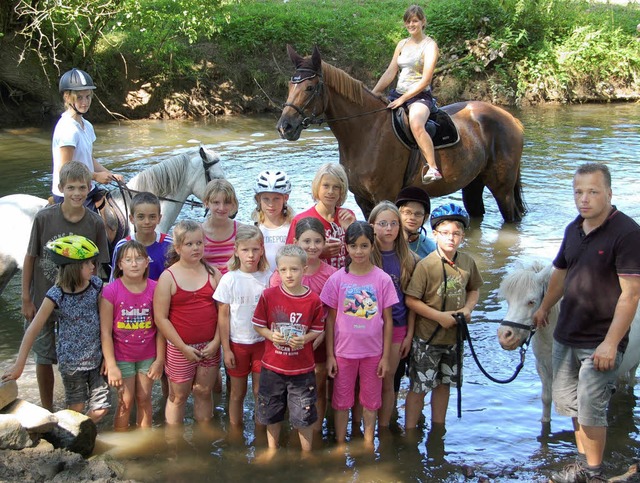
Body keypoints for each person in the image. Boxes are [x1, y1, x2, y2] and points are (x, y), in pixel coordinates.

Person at [532, 163, 640, 483]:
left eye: (593, 191)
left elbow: (631, 295)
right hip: (567, 333)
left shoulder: (628, 233)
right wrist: (544, 307)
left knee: (592, 406)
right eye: (579, 192)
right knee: (573, 405)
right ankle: (584, 463)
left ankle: (594, 473)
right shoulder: (573, 229)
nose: (585, 199)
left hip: (600, 339)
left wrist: (610, 343)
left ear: (609, 192)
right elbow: (560, 274)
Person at [21, 161, 109, 411]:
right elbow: (30, 258)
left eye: (82, 187)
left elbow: (100, 268)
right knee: (44, 354)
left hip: (81, 299)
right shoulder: (44, 218)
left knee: (84, 352)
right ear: (60, 188)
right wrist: (26, 298)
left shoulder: (95, 223)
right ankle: (47, 409)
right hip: (45, 295)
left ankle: (82, 403)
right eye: (71, 188)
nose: (77, 193)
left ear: (90, 187)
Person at [3, 235, 109, 423]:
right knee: (76, 409)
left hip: (97, 360)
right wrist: (19, 365)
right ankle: (70, 438)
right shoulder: (56, 294)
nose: (94, 266)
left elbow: (107, 324)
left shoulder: (96, 286)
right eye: (88, 263)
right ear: (74, 267)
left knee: (100, 409)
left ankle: (80, 433)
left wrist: (109, 358)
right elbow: (33, 330)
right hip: (72, 365)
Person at [404, 203, 482, 431]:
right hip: (428, 338)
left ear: (463, 236)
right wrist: (438, 316)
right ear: (435, 235)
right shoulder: (426, 266)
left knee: (445, 385)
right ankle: (410, 431)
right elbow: (411, 300)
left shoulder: (467, 262)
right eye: (445, 233)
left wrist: (468, 309)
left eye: (456, 234)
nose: (451, 238)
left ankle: (439, 428)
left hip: (454, 338)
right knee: (419, 387)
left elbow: (474, 289)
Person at [321, 221, 397, 444]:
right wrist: (330, 356)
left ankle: (367, 443)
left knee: (371, 402)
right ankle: (340, 443)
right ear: (346, 247)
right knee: (342, 401)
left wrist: (385, 357)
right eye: (353, 246)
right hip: (344, 353)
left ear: (372, 246)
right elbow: (330, 320)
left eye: (364, 246)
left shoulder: (382, 279)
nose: (359, 251)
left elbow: (388, 320)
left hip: (373, 354)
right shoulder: (337, 279)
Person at [253, 245, 325, 452]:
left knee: (304, 413)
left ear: (304, 268)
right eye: (283, 270)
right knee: (271, 411)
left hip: (302, 370)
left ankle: (306, 453)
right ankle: (272, 450)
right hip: (272, 367)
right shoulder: (269, 295)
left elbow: (317, 329)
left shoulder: (313, 300)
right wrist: (270, 335)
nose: (288, 274)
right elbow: (258, 325)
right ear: (277, 271)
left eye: (294, 269)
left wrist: (304, 339)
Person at [270, 217, 337, 434]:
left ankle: (314, 434)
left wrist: (318, 338)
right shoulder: (282, 275)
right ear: (296, 241)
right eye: (306, 241)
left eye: (318, 241)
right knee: (288, 390)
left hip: (319, 341)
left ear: (325, 242)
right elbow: (274, 311)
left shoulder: (331, 275)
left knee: (317, 388)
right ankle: (292, 432)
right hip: (288, 343)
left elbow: (330, 315)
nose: (312, 247)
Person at [153, 220, 222, 425]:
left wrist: (217, 342)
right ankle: (174, 445)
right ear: (177, 247)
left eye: (199, 243)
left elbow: (223, 314)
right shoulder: (168, 277)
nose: (195, 248)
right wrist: (182, 347)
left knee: (203, 392)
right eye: (189, 244)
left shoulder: (213, 274)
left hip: (209, 346)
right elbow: (161, 318)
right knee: (178, 396)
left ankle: (204, 439)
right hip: (179, 347)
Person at [372, 5, 441, 184]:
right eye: (408, 21)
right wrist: (374, 93)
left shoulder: (430, 45)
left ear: (423, 22)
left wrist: (404, 99)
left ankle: (433, 167)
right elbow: (391, 71)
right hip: (398, 93)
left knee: (416, 124)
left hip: (419, 96)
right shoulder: (402, 44)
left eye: (415, 20)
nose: (411, 24)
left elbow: (426, 79)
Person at [101, 240, 164, 430]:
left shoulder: (156, 288)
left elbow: (161, 328)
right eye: (128, 260)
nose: (134, 263)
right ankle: (121, 444)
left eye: (138, 259)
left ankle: (144, 442)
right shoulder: (110, 291)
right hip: (122, 356)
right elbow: (105, 331)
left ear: (147, 262)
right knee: (125, 401)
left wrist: (159, 360)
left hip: (148, 355)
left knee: (144, 398)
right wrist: (110, 364)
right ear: (120, 264)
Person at [213, 225, 270, 429]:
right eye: (245, 250)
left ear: (262, 250)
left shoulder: (268, 277)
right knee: (237, 393)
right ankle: (235, 430)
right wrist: (226, 349)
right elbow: (223, 316)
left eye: (255, 249)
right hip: (238, 344)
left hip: (262, 343)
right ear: (236, 250)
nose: (251, 255)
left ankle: (260, 429)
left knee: (259, 391)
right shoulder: (229, 279)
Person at [368, 201, 419, 427]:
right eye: (383, 223)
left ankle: (385, 427)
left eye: (393, 223)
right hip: (369, 329)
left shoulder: (409, 259)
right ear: (372, 226)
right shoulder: (365, 257)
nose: (388, 228)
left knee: (388, 379)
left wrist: (409, 335)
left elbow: (412, 301)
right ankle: (365, 428)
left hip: (398, 327)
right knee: (369, 380)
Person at [52, 68, 123, 211]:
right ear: (67, 97)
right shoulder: (67, 129)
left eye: (88, 97)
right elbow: (65, 169)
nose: (85, 102)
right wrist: (96, 176)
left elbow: (89, 159)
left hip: (88, 188)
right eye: (79, 97)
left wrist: (110, 174)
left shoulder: (87, 125)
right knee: (92, 227)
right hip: (71, 193)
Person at [286, 163, 356, 269]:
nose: (330, 191)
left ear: (342, 190)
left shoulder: (348, 217)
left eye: (336, 187)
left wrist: (354, 229)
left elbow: (360, 252)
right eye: (326, 186)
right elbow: (288, 258)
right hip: (314, 279)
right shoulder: (301, 220)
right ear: (317, 186)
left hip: (343, 279)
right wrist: (318, 253)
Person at [110, 192, 172, 282]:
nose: (147, 222)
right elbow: (114, 280)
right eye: (141, 217)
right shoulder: (122, 246)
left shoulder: (169, 244)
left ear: (159, 218)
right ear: (132, 219)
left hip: (162, 294)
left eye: (152, 217)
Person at [251, 170, 295, 277]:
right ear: (258, 199)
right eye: (266, 199)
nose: (271, 204)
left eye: (276, 199)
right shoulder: (254, 229)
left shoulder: (293, 227)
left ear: (285, 198)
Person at [202, 179, 245, 276]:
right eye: (216, 202)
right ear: (206, 203)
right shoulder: (198, 233)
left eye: (227, 202)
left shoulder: (241, 231)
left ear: (233, 204)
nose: (221, 208)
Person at [395, 186, 436, 259]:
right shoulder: (387, 242)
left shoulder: (431, 249)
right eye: (407, 212)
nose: (412, 218)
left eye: (418, 214)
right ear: (397, 213)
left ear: (425, 217)